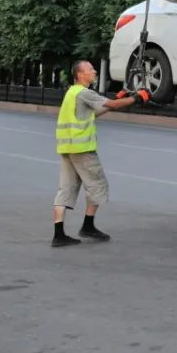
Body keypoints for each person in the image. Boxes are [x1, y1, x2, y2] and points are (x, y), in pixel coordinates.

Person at [51, 60, 148, 247]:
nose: (94, 71)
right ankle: (88, 226)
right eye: (90, 69)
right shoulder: (84, 92)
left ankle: (58, 234)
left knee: (66, 189)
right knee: (97, 186)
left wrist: (119, 96)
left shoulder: (72, 93)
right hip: (83, 150)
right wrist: (138, 98)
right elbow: (113, 105)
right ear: (80, 74)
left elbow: (94, 112)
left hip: (67, 149)